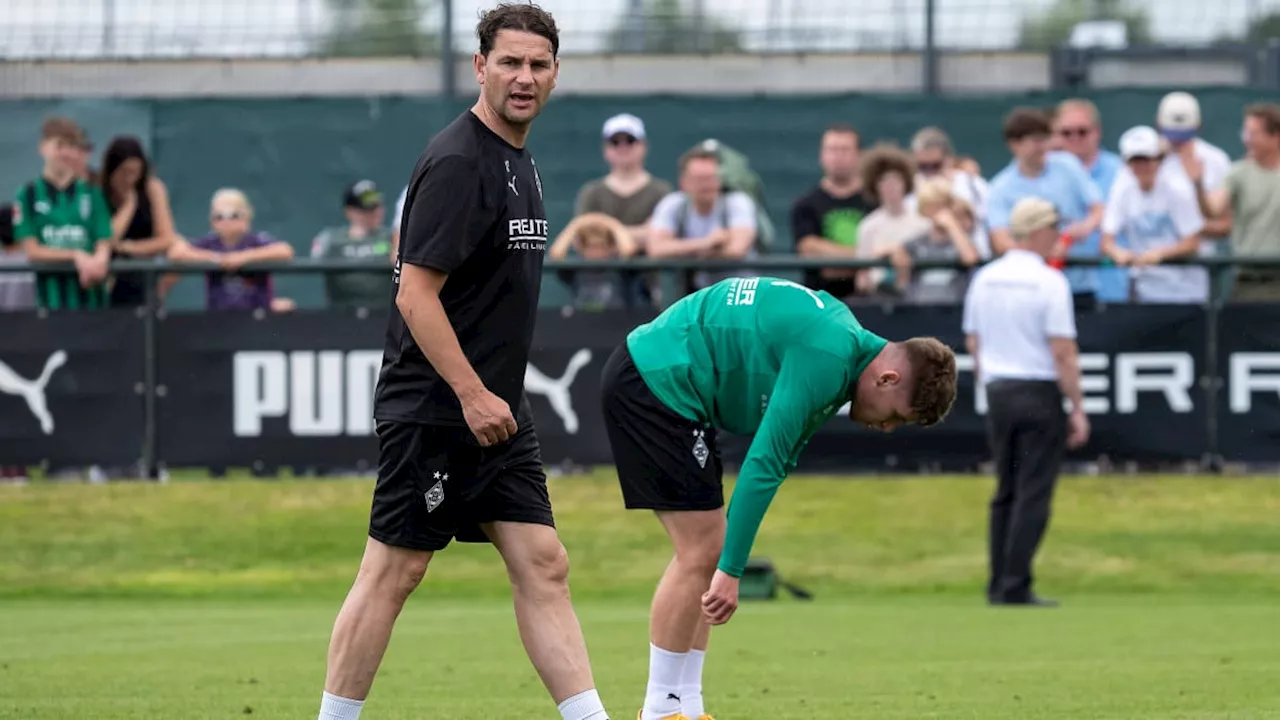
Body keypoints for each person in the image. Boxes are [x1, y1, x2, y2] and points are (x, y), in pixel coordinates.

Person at [318, 6, 614, 720]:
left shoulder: (519, 157)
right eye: (509, 62)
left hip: (499, 412)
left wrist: (493, 400)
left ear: (555, 74)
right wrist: (472, 394)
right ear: (480, 67)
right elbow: (415, 294)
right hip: (439, 408)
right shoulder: (459, 159)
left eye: (538, 65)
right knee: (394, 570)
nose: (524, 77)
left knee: (544, 564)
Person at [600, 276, 958, 720]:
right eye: (895, 417)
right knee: (702, 551)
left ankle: (688, 708)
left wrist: (728, 563)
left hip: (674, 384)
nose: (886, 428)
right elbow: (762, 463)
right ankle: (659, 711)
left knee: (708, 549)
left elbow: (779, 461)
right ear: (887, 378)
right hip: (655, 379)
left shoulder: (842, 347)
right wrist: (732, 572)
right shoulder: (828, 355)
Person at [963, 197, 1090, 608]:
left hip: (999, 391)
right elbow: (1063, 352)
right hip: (1037, 391)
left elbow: (973, 341)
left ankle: (998, 581)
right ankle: (1015, 584)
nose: (1059, 236)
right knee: (1033, 491)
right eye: (1053, 228)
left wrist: (989, 380)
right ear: (1036, 231)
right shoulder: (1049, 281)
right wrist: (1077, 405)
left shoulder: (985, 278)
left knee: (1005, 489)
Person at [986, 108, 1104, 310]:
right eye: (1035, 140)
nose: (1042, 147)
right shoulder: (1000, 187)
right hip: (1029, 289)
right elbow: (1001, 240)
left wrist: (1082, 229)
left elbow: (1098, 209)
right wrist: (1043, 251)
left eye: (1044, 139)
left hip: (1078, 286)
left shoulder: (1068, 165)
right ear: (1014, 144)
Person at [13, 116, 113, 310]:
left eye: (72, 146)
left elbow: (104, 242)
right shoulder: (27, 195)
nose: (66, 153)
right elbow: (33, 251)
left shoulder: (93, 194)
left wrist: (99, 262)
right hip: (49, 306)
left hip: (92, 305)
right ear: (43, 148)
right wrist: (76, 255)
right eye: (60, 145)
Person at [1100, 126, 1206, 304]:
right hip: (1145, 292)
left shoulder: (1177, 188)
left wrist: (1159, 254)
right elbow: (1106, 240)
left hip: (1186, 293)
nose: (1142, 166)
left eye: (1147, 159)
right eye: (1136, 160)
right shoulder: (1122, 188)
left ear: (1159, 159)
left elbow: (1193, 241)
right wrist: (1117, 252)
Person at [1190, 103, 1280, 302]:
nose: (1246, 139)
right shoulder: (1238, 172)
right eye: (1246, 132)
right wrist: (1198, 184)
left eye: (1254, 133)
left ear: (1275, 137)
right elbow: (1212, 210)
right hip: (1247, 286)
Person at [168, 189, 296, 312]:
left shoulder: (255, 241)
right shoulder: (210, 242)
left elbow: (285, 251)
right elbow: (176, 252)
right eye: (219, 216)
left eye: (234, 215)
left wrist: (243, 257)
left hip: (257, 315)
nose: (226, 221)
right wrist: (217, 258)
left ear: (246, 217)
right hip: (219, 318)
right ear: (211, 221)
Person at [791, 123, 878, 297]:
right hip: (821, 302)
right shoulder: (805, 205)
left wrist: (832, 258)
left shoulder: (875, 203)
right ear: (821, 155)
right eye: (832, 150)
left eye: (845, 150)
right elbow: (808, 249)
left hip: (871, 301)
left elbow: (882, 253)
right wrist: (862, 260)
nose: (838, 157)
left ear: (859, 155)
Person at [98, 136, 179, 307]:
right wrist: (128, 205)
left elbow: (166, 238)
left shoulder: (153, 188)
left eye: (135, 172)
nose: (129, 179)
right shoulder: (98, 192)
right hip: (107, 273)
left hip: (141, 272)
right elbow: (107, 237)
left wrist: (129, 247)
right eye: (124, 172)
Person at [311, 180, 395, 310]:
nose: (376, 212)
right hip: (342, 316)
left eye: (378, 206)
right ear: (350, 211)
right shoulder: (330, 239)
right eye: (368, 208)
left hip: (385, 314)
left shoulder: (393, 238)